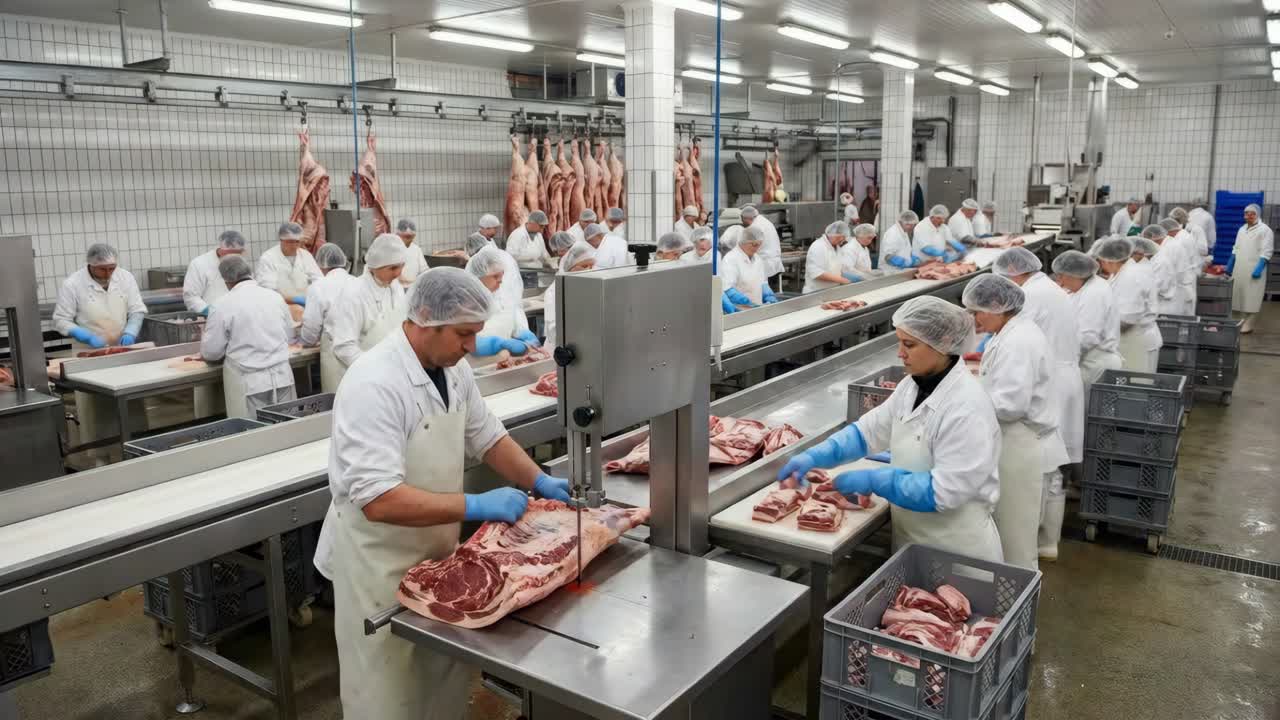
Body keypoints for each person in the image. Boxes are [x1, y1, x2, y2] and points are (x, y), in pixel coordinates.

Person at [314, 266, 570, 720]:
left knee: (442, 691)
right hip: (377, 565)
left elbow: (489, 437)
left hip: (436, 559)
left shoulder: (454, 372)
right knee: (389, 697)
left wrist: (539, 480)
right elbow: (380, 500)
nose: (472, 346)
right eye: (463, 334)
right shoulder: (374, 382)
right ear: (426, 319)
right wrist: (476, 504)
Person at [775, 296, 1003, 561]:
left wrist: (876, 481)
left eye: (909, 344)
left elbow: (946, 491)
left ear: (942, 347)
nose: (900, 353)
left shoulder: (966, 406)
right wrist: (816, 455)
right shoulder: (913, 385)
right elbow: (869, 431)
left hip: (957, 547)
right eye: (900, 342)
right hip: (912, 538)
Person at [962, 275, 1066, 569]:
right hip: (1013, 439)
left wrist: (965, 402)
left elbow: (1009, 405)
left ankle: (1016, 603)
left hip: (1018, 443)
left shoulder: (1018, 341)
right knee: (1010, 528)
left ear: (997, 306)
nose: (976, 318)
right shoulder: (1010, 332)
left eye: (978, 311)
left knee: (1015, 536)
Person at [992, 247, 1082, 561]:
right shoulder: (1048, 289)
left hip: (1047, 384)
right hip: (1060, 375)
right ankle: (1047, 543)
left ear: (1014, 272)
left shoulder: (1028, 299)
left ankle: (1037, 543)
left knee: (1044, 469)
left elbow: (1010, 402)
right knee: (1053, 468)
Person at [53, 243, 148, 441]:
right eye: (102, 269)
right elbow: (61, 319)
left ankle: (138, 442)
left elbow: (137, 309)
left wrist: (131, 330)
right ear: (90, 264)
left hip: (123, 349)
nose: (108, 274)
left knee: (130, 402)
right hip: (88, 352)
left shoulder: (125, 277)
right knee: (95, 407)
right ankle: (99, 456)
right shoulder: (73, 284)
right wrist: (84, 336)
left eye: (111, 268)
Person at [200, 255, 297, 419]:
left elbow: (211, 352)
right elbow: (290, 335)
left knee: (252, 436)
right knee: (287, 432)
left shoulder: (222, 304)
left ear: (226, 280)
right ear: (250, 272)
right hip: (282, 377)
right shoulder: (275, 297)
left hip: (248, 383)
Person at [325, 235, 407, 388]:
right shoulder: (354, 294)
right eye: (393, 268)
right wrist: (373, 369)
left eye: (401, 266)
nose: (398, 273)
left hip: (387, 372)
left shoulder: (395, 288)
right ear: (375, 266)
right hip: (357, 375)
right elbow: (344, 346)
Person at [1052, 250, 1122, 385]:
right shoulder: (1086, 287)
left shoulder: (1094, 294)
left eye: (1061, 276)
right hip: (1088, 362)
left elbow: (1087, 337)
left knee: (1089, 405)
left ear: (1075, 275)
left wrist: (1059, 360)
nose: (1059, 282)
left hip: (1095, 365)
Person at [1095, 237, 1161, 372]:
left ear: (1108, 260)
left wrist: (1097, 333)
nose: (1101, 266)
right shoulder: (1124, 272)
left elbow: (1127, 319)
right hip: (1130, 339)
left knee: (1136, 387)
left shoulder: (1130, 277)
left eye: (1101, 261)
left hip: (1136, 341)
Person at [466, 247, 538, 362]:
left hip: (502, 364)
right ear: (479, 276)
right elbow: (465, 341)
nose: (501, 280)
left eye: (502, 275)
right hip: (476, 366)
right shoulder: (466, 303)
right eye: (495, 276)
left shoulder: (505, 298)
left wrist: (527, 336)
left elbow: (517, 325)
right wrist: (499, 344)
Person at [256, 222, 323, 317]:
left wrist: (312, 299)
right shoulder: (268, 258)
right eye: (290, 242)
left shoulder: (305, 256)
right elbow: (268, 292)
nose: (294, 245)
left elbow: (319, 281)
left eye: (297, 241)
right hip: (278, 309)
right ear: (281, 240)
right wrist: (295, 300)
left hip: (307, 308)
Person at [1228, 203, 1274, 334]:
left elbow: (1267, 251)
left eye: (1252, 213)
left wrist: (1260, 266)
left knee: (1252, 297)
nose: (1249, 216)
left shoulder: (1265, 230)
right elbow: (1236, 247)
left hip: (1254, 268)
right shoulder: (1242, 229)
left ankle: (1249, 323)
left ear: (1258, 214)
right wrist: (1231, 262)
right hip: (1239, 268)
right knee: (1237, 295)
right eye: (1246, 213)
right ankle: (1238, 321)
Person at [543, 241, 598, 348]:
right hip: (560, 349)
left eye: (592, 266)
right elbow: (554, 330)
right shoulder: (554, 292)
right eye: (584, 266)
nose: (589, 270)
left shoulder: (588, 287)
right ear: (569, 268)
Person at [183, 230, 246, 316]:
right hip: (209, 318)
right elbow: (191, 296)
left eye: (237, 254)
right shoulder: (200, 264)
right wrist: (209, 311)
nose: (232, 257)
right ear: (220, 249)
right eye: (228, 253)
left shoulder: (242, 264)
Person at [721, 225, 779, 310]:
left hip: (758, 308)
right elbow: (727, 289)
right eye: (754, 245)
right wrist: (745, 301)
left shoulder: (758, 259)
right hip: (739, 310)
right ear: (743, 242)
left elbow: (763, 282)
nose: (757, 249)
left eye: (759, 245)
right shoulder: (730, 260)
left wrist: (768, 295)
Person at [1158, 218, 1199, 314]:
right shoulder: (1184, 236)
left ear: (1168, 231)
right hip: (1186, 281)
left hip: (1182, 283)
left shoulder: (1179, 240)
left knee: (1183, 318)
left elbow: (1173, 265)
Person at [1139, 227, 1182, 316]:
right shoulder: (1155, 259)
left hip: (1164, 307)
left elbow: (1156, 286)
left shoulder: (1161, 262)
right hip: (1158, 304)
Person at [740, 205, 784, 290]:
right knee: (772, 295)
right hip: (774, 264)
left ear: (746, 218)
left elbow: (749, 247)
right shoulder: (765, 221)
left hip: (765, 265)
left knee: (763, 296)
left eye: (743, 221)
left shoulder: (755, 226)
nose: (743, 224)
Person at [803, 221, 854, 292]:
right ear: (834, 235)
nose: (843, 240)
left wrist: (848, 276)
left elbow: (836, 268)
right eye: (842, 237)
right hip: (816, 291)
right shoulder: (818, 246)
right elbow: (816, 273)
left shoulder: (837, 248)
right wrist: (842, 280)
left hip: (831, 290)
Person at [395, 218, 430, 288]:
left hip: (414, 288)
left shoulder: (416, 249)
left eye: (412, 237)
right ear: (398, 234)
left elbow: (424, 269)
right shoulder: (392, 249)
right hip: (398, 289)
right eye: (406, 237)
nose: (410, 240)